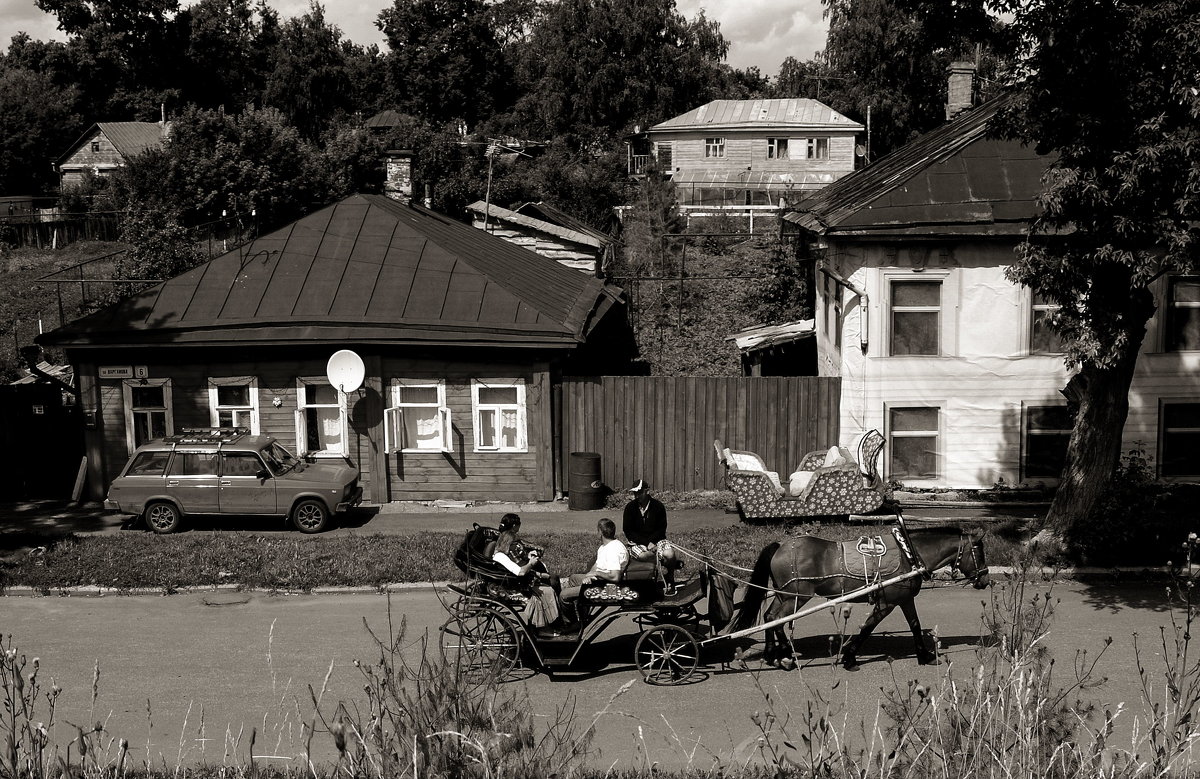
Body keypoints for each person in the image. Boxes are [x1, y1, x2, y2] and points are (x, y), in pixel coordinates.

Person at [491, 513, 561, 628]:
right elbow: (520, 572)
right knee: (552, 583)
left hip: (525, 579)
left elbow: (519, 561)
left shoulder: (506, 552)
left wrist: (529, 558)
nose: (517, 547)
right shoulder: (501, 556)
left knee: (554, 578)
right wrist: (531, 563)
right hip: (520, 585)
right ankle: (555, 621)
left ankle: (557, 618)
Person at [559, 517, 628, 617]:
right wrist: (588, 577)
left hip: (606, 586)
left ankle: (571, 623)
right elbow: (596, 566)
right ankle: (583, 612)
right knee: (573, 578)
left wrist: (596, 574)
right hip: (598, 580)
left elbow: (615, 577)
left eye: (597, 530)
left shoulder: (614, 549)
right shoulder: (604, 547)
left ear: (600, 532)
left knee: (563, 595)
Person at [622, 479, 681, 594]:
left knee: (670, 554)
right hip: (637, 542)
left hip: (657, 540)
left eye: (639, 492)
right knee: (643, 555)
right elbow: (628, 530)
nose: (637, 495)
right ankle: (665, 562)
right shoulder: (630, 508)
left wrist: (652, 542)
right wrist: (646, 543)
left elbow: (661, 528)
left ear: (647, 491)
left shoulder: (658, 506)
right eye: (635, 493)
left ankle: (670, 576)